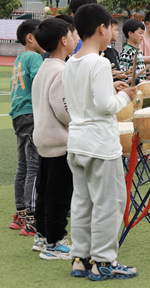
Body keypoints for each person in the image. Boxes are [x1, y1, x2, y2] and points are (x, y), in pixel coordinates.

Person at [63, 4, 138, 279]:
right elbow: (106, 106)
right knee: (110, 202)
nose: (113, 33)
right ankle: (104, 261)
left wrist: (112, 88)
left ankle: (80, 259)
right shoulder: (100, 61)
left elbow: (84, 98)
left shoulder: (72, 62)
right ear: (100, 28)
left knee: (82, 202)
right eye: (111, 27)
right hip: (100, 144)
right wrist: (126, 95)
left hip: (77, 141)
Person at [32, 18, 77, 259]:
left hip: (44, 138)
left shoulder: (45, 67)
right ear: (63, 40)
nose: (76, 39)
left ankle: (41, 236)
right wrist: (78, 118)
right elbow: (62, 109)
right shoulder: (61, 70)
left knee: (45, 191)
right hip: (60, 142)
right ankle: (55, 242)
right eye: (73, 35)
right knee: (58, 194)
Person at [9, 19, 43, 236]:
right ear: (30, 38)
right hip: (31, 114)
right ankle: (31, 218)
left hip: (18, 115)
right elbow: (42, 82)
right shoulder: (34, 56)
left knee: (23, 165)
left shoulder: (20, 58)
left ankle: (20, 213)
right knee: (33, 166)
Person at [118, 19, 146, 84]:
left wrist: (149, 69)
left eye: (143, 33)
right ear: (130, 34)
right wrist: (139, 81)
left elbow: (140, 70)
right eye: (140, 33)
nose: (142, 36)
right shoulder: (127, 51)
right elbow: (123, 74)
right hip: (132, 88)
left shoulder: (138, 50)